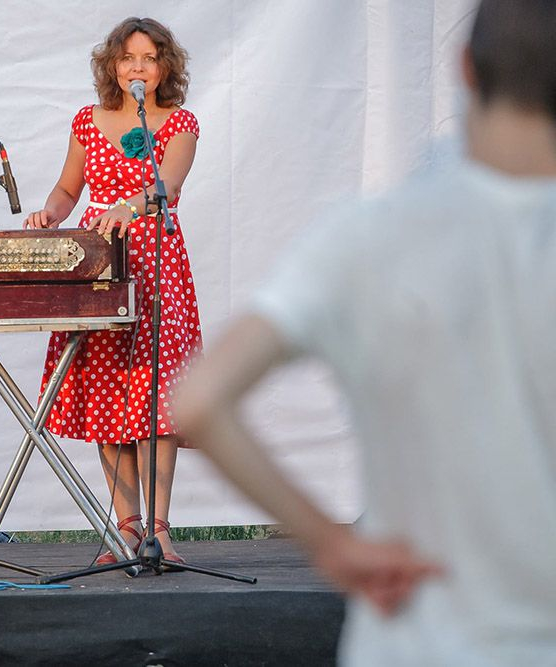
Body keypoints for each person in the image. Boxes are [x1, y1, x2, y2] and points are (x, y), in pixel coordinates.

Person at [176, 0, 556, 663]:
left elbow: (199, 401)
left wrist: (331, 543)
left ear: (466, 69)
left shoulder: (367, 236)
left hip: (410, 641)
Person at [24, 17, 201, 564]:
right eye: (128, 58)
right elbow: (67, 188)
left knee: (155, 398)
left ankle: (159, 531)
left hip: (155, 266)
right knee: (108, 394)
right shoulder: (86, 120)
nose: (138, 68)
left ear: (165, 67)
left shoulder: (180, 122)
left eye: (149, 58)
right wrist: (50, 214)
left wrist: (130, 206)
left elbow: (169, 185)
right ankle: (126, 529)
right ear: (113, 66)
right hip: (98, 262)